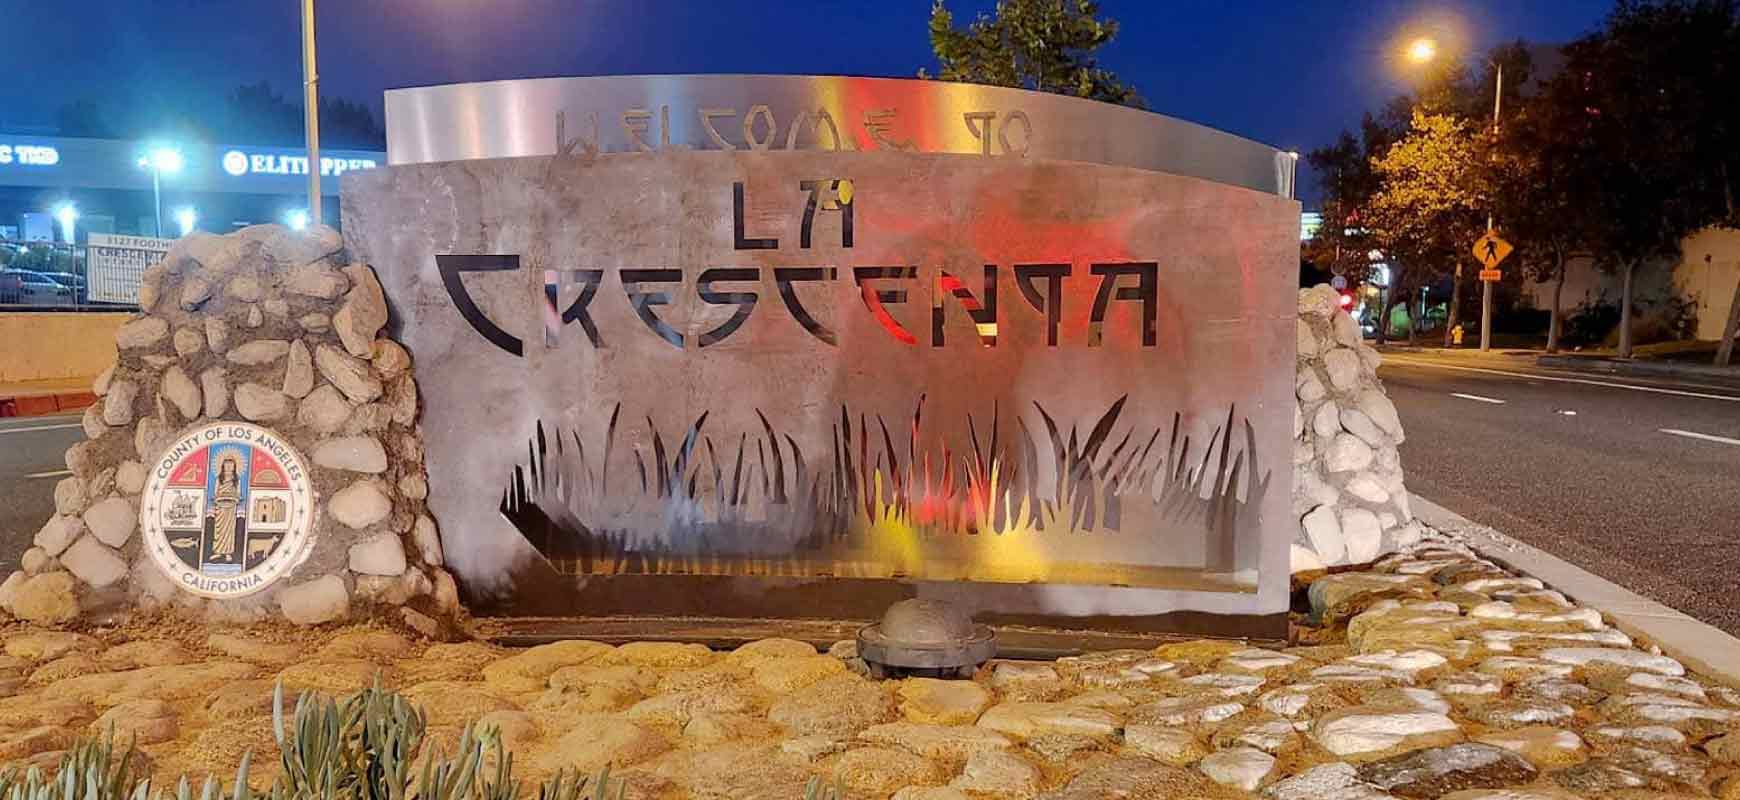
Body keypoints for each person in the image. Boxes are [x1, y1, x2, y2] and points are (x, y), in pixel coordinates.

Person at [208, 455, 242, 561]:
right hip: (220, 507)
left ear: (234, 466)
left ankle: (228, 552)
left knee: (229, 531)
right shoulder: (219, 478)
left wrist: (235, 498)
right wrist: (218, 498)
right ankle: (218, 551)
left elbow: (238, 493)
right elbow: (215, 492)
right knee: (219, 530)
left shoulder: (236, 479)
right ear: (223, 466)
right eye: (227, 465)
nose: (228, 467)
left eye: (231, 465)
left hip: (231, 507)